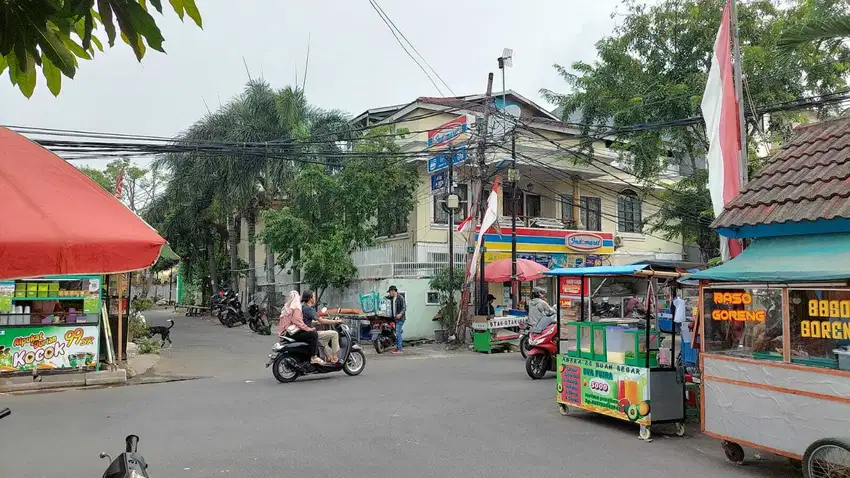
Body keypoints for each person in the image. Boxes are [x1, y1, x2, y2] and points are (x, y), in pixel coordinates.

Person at [278, 290, 324, 365]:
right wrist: (308, 329)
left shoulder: (286, 308)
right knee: (314, 335)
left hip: (285, 333)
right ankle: (313, 357)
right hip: (292, 332)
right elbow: (298, 322)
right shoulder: (296, 308)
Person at [300, 290, 342, 363]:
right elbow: (322, 320)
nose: (315, 298)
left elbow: (307, 320)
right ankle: (335, 358)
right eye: (314, 297)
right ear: (310, 298)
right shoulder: (309, 308)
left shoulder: (302, 307)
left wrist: (317, 321)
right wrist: (336, 321)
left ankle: (328, 358)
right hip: (310, 332)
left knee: (324, 339)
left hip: (305, 332)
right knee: (334, 334)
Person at [388, 285, 406, 355]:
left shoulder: (400, 297)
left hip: (400, 318)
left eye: (390, 292)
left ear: (393, 291)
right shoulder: (393, 297)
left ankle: (400, 349)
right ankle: (398, 347)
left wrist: (400, 314)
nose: (389, 293)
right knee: (397, 332)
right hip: (395, 318)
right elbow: (386, 298)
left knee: (398, 333)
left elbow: (404, 308)